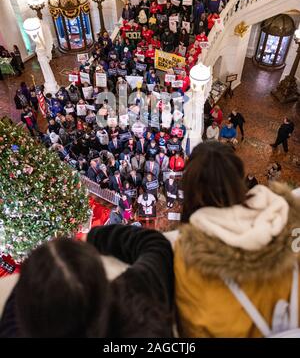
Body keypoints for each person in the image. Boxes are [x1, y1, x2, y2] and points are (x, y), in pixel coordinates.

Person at [175, 141, 300, 338]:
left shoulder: (188, 256)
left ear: (190, 188)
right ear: (239, 176)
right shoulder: (290, 219)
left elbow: (194, 326)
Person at [0, 225, 174, 337]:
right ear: (103, 282)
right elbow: (154, 245)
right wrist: (93, 237)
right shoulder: (139, 298)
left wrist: (40, 273)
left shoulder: (11, 330)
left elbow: (20, 295)